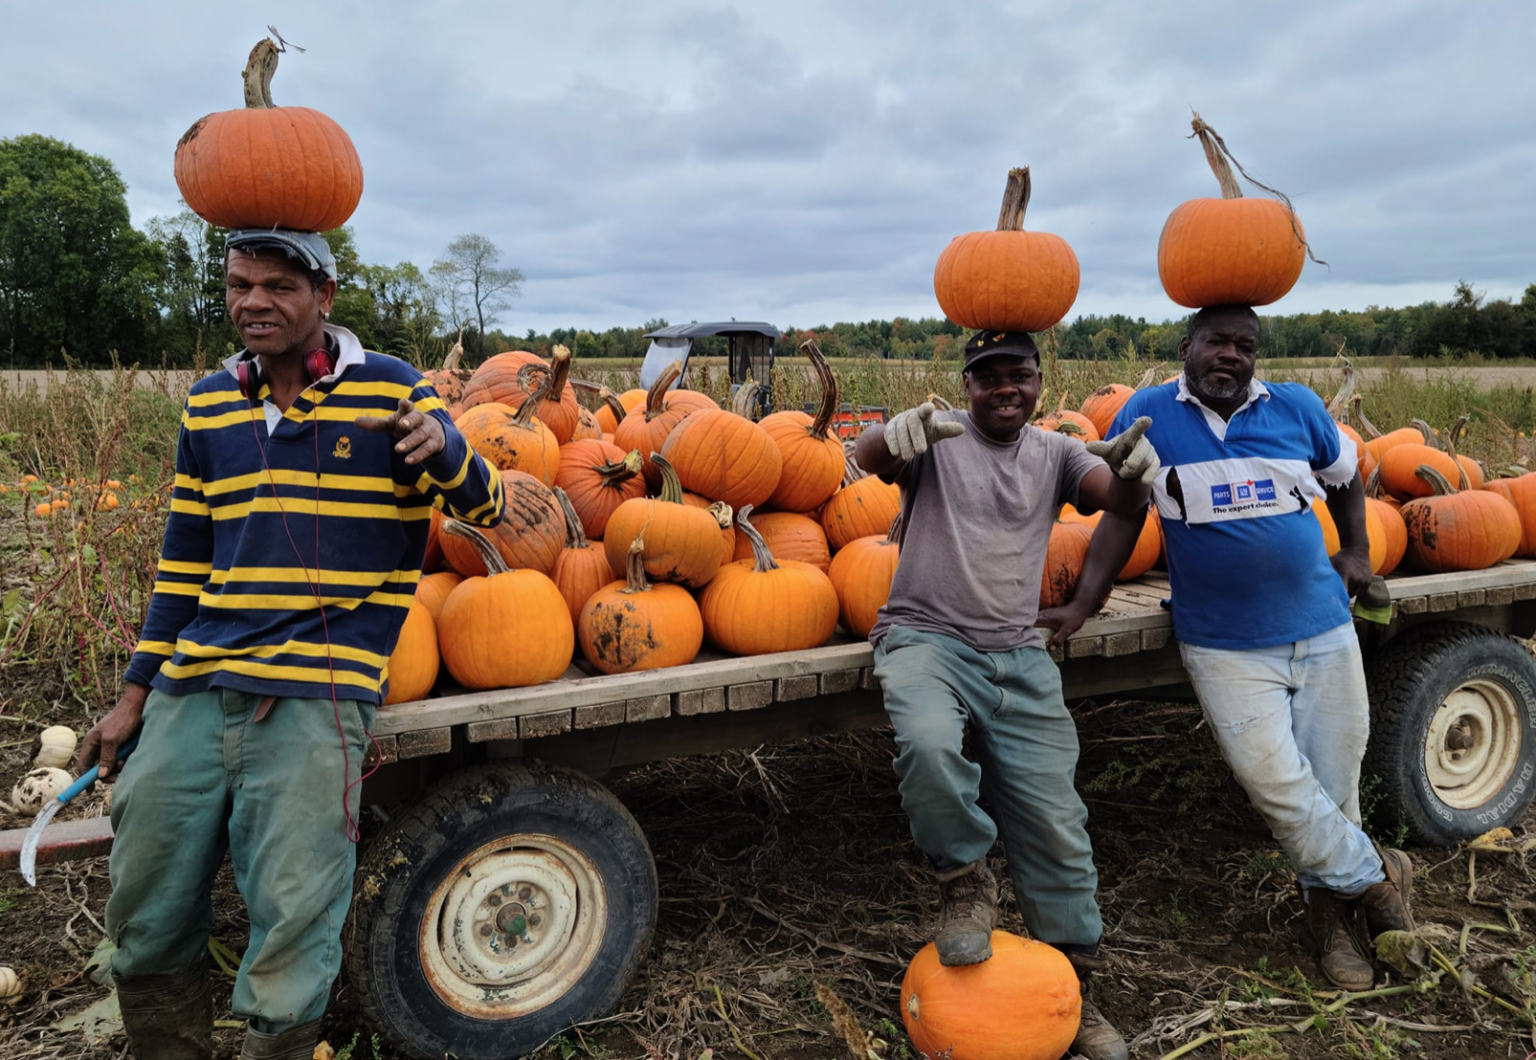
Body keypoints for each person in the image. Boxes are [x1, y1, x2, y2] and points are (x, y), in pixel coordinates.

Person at [77, 229, 505, 1060]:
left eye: (278, 286)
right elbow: (183, 562)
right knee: (146, 895)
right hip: (196, 681)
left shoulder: (391, 390)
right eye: (240, 284)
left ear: (325, 297)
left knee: (294, 909)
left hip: (318, 686)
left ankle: (278, 1044)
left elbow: (487, 510)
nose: (254, 302)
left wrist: (448, 450)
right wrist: (135, 693)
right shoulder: (209, 402)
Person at [1038, 303, 1415, 992]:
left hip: (1324, 626)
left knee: (1332, 789)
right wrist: (1085, 600)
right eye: (1217, 342)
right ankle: (1379, 882)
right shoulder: (1149, 416)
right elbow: (1122, 519)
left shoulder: (1298, 409)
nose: (1230, 355)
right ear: (1188, 346)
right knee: (1276, 787)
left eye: (1244, 345)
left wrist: (1357, 551)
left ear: (1255, 355)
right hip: (1224, 644)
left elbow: (1346, 478)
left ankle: (1327, 917)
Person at [854, 330, 1158, 1060]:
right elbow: (869, 457)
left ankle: (1070, 991)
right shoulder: (939, 439)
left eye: (1017, 375)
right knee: (928, 744)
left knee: (1055, 818)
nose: (1004, 388)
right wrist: (886, 440)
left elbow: (1113, 501)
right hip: (925, 637)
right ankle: (964, 880)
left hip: (1019, 652)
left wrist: (1132, 477)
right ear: (967, 386)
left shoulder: (1056, 452)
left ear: (1037, 383)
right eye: (987, 377)